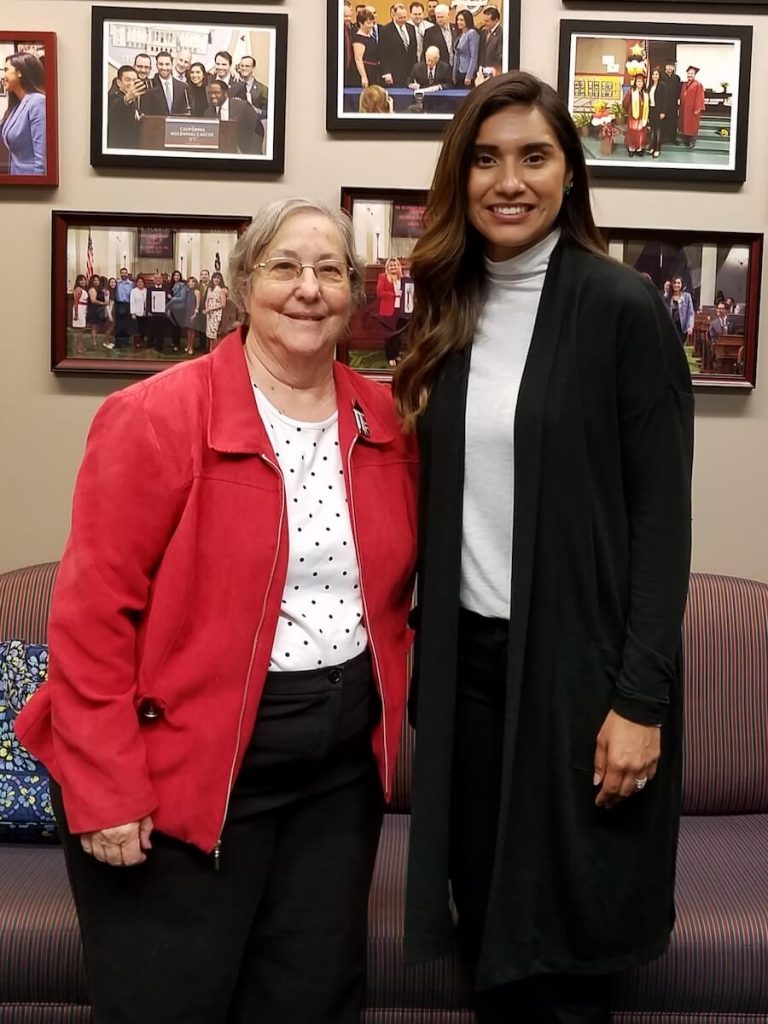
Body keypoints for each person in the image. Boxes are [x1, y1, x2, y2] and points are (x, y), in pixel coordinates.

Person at [16, 196, 418, 1024]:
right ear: (241, 287)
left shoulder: (384, 421)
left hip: (333, 782)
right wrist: (106, 790)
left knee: (308, 1003)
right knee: (171, 1002)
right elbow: (91, 622)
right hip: (180, 773)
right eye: (284, 267)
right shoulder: (156, 417)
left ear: (354, 291)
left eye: (331, 269)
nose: (308, 289)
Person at [394, 70, 694, 1024]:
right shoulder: (445, 308)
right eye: (484, 159)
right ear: (459, 176)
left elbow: (662, 521)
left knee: (565, 952)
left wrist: (639, 702)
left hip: (584, 682)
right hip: (471, 677)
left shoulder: (621, 308)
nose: (507, 180)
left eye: (534, 156)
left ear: (570, 174)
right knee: (488, 936)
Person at [0, 51, 47, 175]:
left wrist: (37, 188)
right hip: (17, 181)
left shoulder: (37, 102)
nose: (2, 76)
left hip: (31, 185)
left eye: (6, 70)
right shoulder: (16, 106)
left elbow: (42, 158)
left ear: (20, 72)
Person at [204, 81, 264, 155]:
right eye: (210, 93)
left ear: (225, 93)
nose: (212, 96)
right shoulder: (208, 112)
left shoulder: (243, 106)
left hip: (244, 152)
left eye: (216, 92)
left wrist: (252, 153)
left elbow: (258, 130)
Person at [379, 4, 418, 88]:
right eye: (400, 18)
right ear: (394, 15)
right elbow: (383, 54)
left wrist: (415, 71)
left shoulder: (411, 28)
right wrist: (386, 73)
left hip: (409, 72)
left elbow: (413, 51)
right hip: (393, 73)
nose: (403, 20)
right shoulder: (386, 30)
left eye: (405, 17)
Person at [141, 51, 190, 116]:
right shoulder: (149, 85)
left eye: (167, 64)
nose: (164, 68)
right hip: (156, 125)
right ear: (156, 65)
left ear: (172, 65)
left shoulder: (183, 87)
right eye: (161, 64)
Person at [376, 257, 405, 366]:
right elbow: (379, 293)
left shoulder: (403, 279)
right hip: (388, 311)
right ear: (387, 267)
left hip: (401, 311)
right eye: (391, 265)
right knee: (390, 335)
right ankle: (390, 356)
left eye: (395, 265)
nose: (393, 267)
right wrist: (394, 294)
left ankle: (396, 354)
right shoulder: (383, 277)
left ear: (398, 267)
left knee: (398, 335)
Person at [107, 65, 142, 148]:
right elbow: (118, 104)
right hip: (118, 147)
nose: (131, 83)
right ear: (119, 82)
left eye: (134, 80)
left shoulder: (134, 99)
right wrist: (127, 98)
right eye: (128, 80)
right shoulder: (112, 97)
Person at [622, 72, 649, 157]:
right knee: (632, 132)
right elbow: (625, 103)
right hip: (633, 116)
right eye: (638, 81)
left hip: (642, 117)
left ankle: (639, 149)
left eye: (641, 81)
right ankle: (631, 149)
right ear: (635, 82)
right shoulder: (631, 92)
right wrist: (629, 111)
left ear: (643, 82)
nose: (639, 83)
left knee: (640, 133)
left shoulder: (645, 93)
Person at [352, 10, 380, 89]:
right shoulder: (358, 38)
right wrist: (364, 77)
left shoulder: (370, 37)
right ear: (361, 23)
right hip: (366, 72)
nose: (371, 25)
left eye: (372, 23)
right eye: (368, 23)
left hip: (373, 72)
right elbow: (358, 59)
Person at [679, 65, 705, 148]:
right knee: (685, 123)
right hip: (684, 107)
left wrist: (697, 108)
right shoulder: (684, 84)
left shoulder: (698, 85)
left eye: (692, 73)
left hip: (693, 108)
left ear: (694, 75)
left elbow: (700, 97)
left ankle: (692, 140)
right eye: (689, 73)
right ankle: (686, 139)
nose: (690, 75)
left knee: (692, 124)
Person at [452, 10, 479, 88]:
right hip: (459, 71)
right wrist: (454, 74)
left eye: (461, 20)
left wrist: (469, 75)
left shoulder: (472, 33)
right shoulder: (460, 34)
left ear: (467, 21)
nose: (459, 22)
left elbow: (474, 56)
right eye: (458, 19)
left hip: (467, 71)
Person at [664, 275, 695, 345]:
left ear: (682, 284)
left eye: (678, 283)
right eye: (674, 283)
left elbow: (690, 313)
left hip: (681, 328)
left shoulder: (687, 296)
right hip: (670, 327)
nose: (676, 285)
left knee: (679, 347)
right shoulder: (667, 297)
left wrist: (690, 326)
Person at [646, 67, 668, 159]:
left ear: (659, 76)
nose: (655, 76)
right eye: (653, 74)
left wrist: (663, 111)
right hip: (651, 110)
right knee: (652, 130)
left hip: (659, 110)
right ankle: (652, 147)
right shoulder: (650, 86)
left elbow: (665, 100)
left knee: (658, 130)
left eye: (656, 74)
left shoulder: (662, 85)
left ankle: (657, 149)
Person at [205, 270, 229, 349]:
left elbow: (223, 304)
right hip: (209, 313)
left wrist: (211, 309)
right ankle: (211, 350)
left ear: (221, 280)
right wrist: (207, 309)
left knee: (215, 333)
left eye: (218, 278)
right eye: (215, 278)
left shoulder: (222, 290)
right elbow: (207, 300)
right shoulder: (210, 289)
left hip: (217, 313)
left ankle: (215, 351)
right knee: (210, 334)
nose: (216, 280)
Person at [659, 61, 681, 146]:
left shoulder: (677, 78)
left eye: (672, 66)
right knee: (663, 121)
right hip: (663, 103)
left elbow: (679, 90)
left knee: (673, 121)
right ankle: (663, 138)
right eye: (668, 66)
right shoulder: (661, 76)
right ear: (665, 66)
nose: (670, 68)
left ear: (674, 68)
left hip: (673, 103)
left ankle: (673, 138)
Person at [478, 6, 503, 77]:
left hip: (495, 73)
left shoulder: (501, 33)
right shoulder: (484, 32)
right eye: (483, 20)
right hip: (484, 71)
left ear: (496, 20)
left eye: (487, 21)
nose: (484, 23)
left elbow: (499, 55)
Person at [181, 275, 203, 355]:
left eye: (192, 282)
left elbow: (198, 304)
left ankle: (191, 347)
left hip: (193, 313)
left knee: (192, 330)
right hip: (187, 312)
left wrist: (195, 313)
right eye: (189, 282)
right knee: (188, 330)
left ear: (195, 283)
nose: (191, 283)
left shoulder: (197, 292)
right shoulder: (187, 291)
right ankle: (188, 344)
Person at [71, 274, 88, 355]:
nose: (83, 281)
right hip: (79, 309)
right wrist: (76, 313)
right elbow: (76, 302)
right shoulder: (78, 289)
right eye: (81, 280)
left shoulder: (83, 289)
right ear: (78, 281)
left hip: (83, 309)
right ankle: (78, 347)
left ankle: (81, 345)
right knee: (79, 331)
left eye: (84, 280)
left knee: (81, 330)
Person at [129, 274, 148, 348]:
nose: (140, 283)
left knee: (143, 328)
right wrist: (133, 313)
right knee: (137, 329)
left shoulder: (146, 290)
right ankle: (137, 342)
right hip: (137, 313)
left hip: (145, 313)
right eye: (139, 282)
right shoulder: (134, 291)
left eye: (142, 282)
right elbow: (132, 302)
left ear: (144, 283)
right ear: (136, 283)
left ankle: (142, 341)